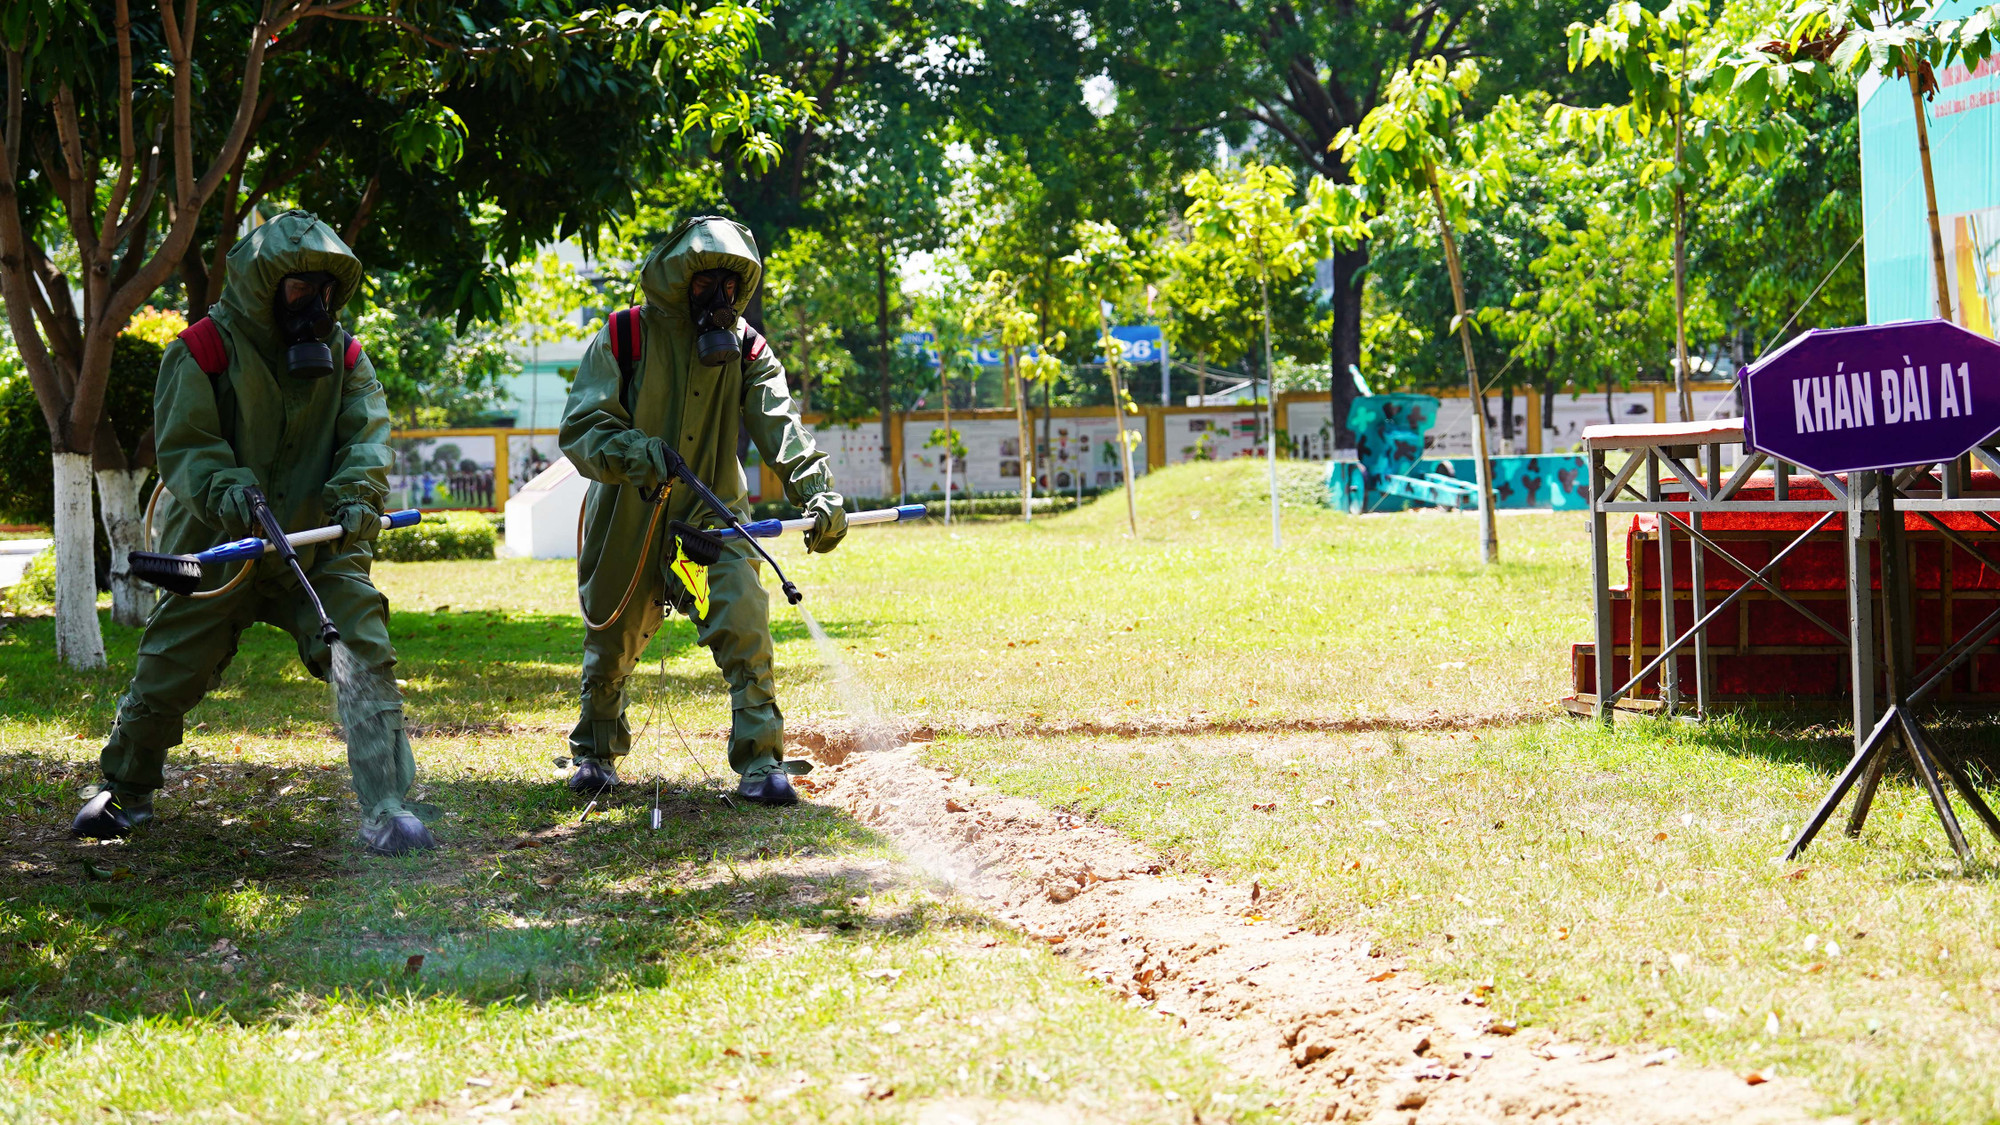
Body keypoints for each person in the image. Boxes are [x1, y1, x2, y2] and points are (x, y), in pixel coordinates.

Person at [72, 210, 435, 856]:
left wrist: (356, 494)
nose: (315, 306)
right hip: (221, 545)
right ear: (263, 287)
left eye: (325, 291)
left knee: (362, 650)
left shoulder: (347, 357)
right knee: (168, 665)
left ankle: (386, 805)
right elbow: (188, 445)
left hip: (318, 548)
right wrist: (226, 489)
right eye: (300, 289)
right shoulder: (203, 352)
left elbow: (367, 437)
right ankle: (123, 788)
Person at [560, 215, 846, 806]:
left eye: (729, 283)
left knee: (743, 620)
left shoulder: (748, 347)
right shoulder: (624, 336)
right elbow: (581, 428)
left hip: (710, 519)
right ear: (674, 280)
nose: (718, 295)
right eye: (703, 282)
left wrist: (816, 490)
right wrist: (639, 452)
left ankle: (761, 761)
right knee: (611, 644)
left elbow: (780, 423)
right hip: (627, 520)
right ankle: (595, 752)